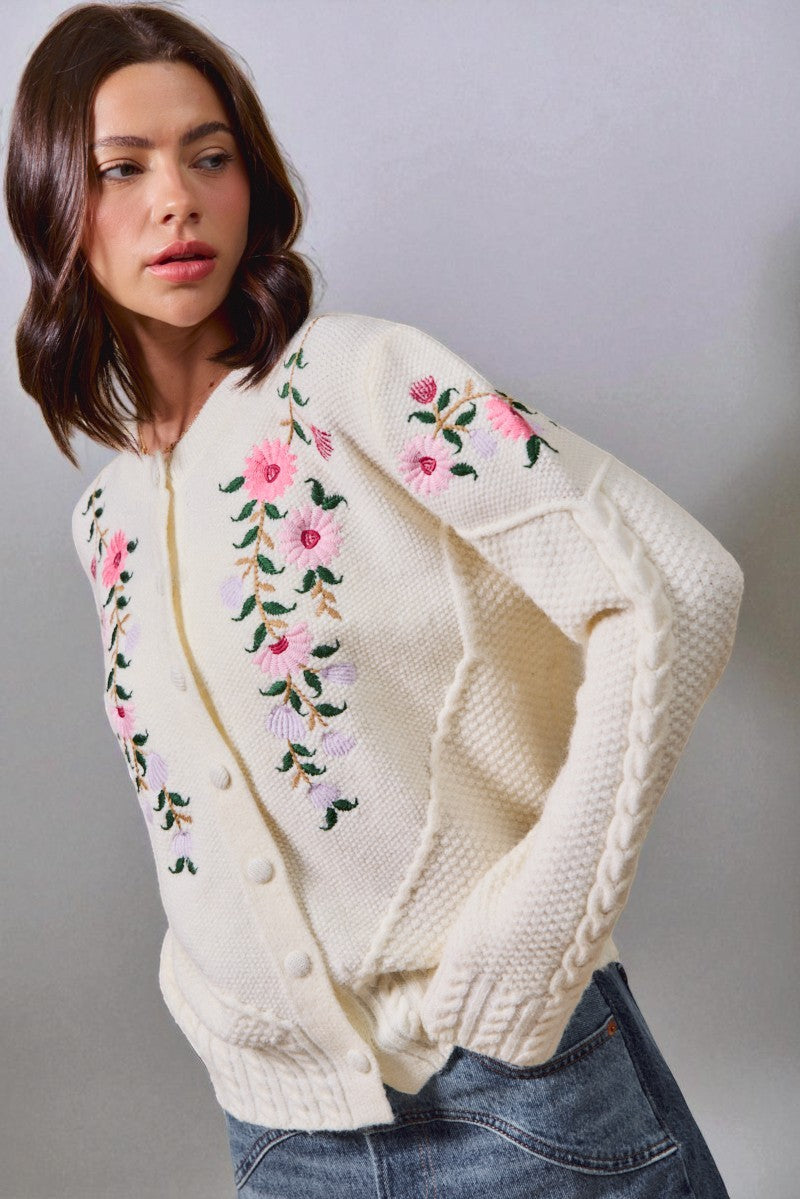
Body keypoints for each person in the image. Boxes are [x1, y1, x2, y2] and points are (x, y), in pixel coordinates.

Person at [6, 4, 742, 1196]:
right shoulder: (108, 520)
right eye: (119, 170)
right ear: (50, 205)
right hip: (282, 1136)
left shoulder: (356, 381)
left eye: (209, 155)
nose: (177, 200)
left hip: (513, 1099)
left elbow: (672, 587)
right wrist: (209, 990)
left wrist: (534, 935)